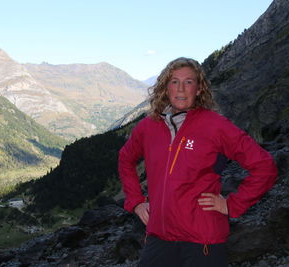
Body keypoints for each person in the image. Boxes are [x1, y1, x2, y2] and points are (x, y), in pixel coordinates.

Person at [118, 57, 277, 267]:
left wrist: (232, 204)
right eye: (174, 81)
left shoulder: (216, 126)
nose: (181, 89)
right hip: (159, 237)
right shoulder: (149, 126)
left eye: (189, 82)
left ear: (199, 88)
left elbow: (265, 166)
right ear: (166, 88)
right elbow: (125, 159)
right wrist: (136, 201)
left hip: (202, 242)